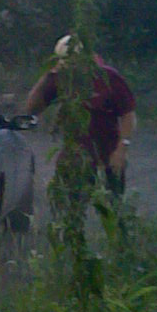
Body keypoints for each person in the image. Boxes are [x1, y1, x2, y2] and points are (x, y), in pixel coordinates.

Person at [24, 34, 136, 196]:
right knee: (73, 206)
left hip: (109, 154)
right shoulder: (61, 80)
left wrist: (121, 150)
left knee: (114, 208)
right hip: (75, 157)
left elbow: (128, 115)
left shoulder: (109, 78)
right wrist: (47, 76)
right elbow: (32, 109)